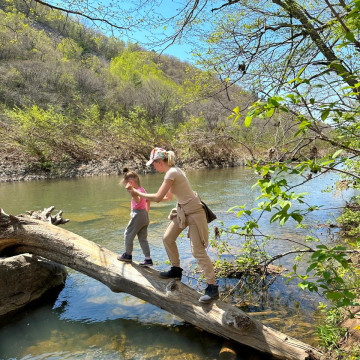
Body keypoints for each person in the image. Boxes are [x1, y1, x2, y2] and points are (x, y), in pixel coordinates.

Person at [126, 148, 219, 303]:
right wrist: (147, 197)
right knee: (167, 238)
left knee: (198, 251)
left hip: (195, 212)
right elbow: (168, 198)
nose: (153, 167)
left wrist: (137, 193)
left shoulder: (172, 173)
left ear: (160, 162)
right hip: (183, 210)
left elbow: (157, 197)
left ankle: (212, 287)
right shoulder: (171, 173)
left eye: (153, 164)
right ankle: (176, 270)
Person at [117, 168, 153, 267]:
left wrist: (130, 191)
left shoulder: (136, 191)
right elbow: (148, 200)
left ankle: (128, 255)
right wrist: (146, 211)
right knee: (143, 238)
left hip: (138, 215)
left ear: (131, 182)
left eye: (126, 184)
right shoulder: (142, 190)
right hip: (144, 215)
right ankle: (148, 259)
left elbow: (137, 200)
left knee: (128, 234)